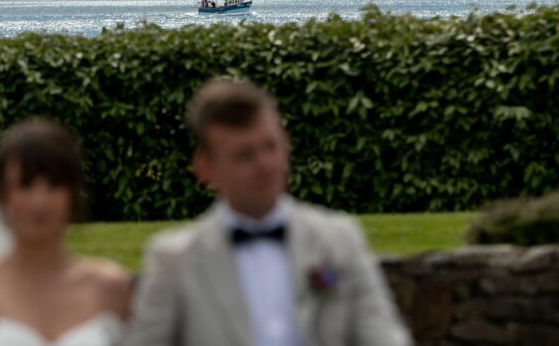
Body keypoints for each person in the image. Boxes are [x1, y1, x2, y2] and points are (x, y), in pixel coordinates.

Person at [124, 78, 411, 346]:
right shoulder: (174, 260)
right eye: (244, 155)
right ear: (206, 169)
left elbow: (384, 337)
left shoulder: (339, 240)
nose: (265, 164)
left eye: (270, 146)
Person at [0, 120, 131, 346]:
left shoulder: (110, 287)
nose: (39, 201)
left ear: (73, 193)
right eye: (25, 185)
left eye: (54, 184)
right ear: (3, 195)